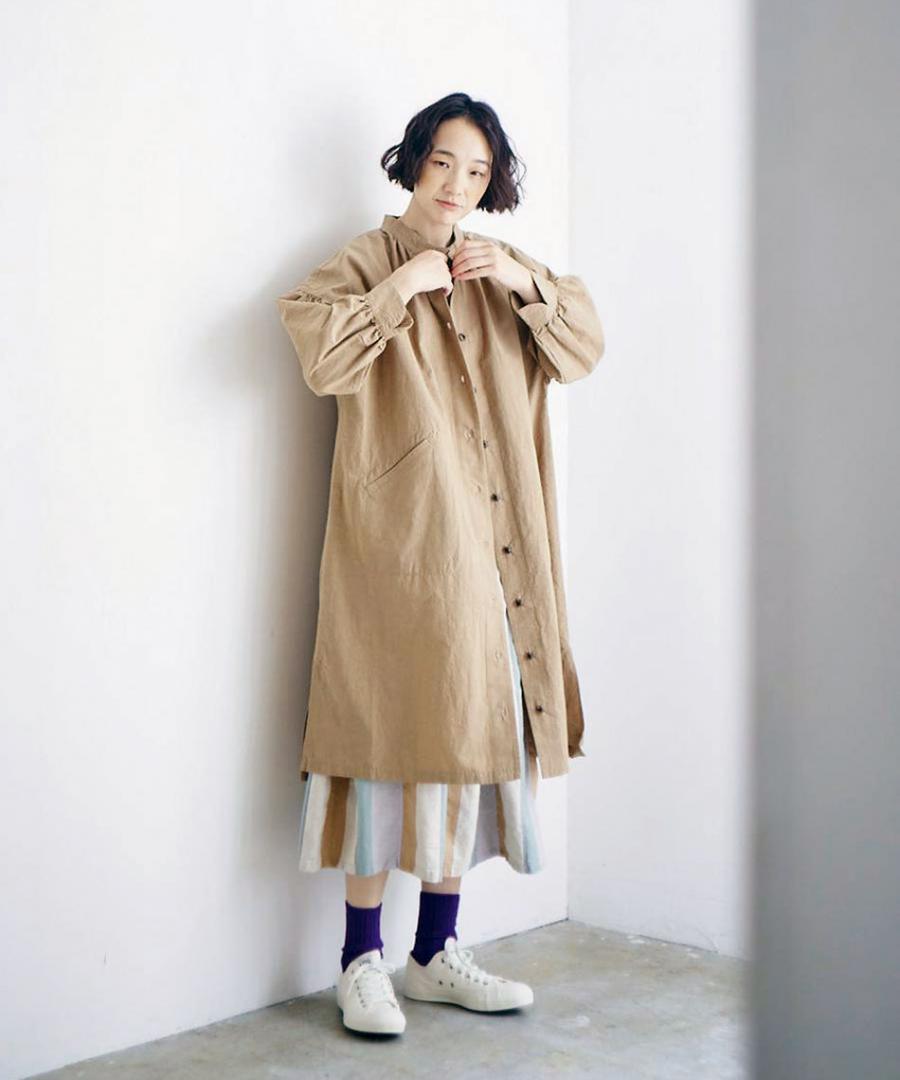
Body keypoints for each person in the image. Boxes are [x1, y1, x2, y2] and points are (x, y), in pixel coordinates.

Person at [276, 91, 605, 1036]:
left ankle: (433, 953)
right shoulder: (366, 259)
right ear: (414, 161)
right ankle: (360, 960)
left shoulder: (503, 267)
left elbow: (583, 347)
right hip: (404, 552)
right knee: (382, 746)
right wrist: (403, 288)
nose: (459, 183)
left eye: (478, 169)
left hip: (498, 553)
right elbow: (321, 355)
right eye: (443, 162)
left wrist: (525, 281)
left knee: (469, 740)